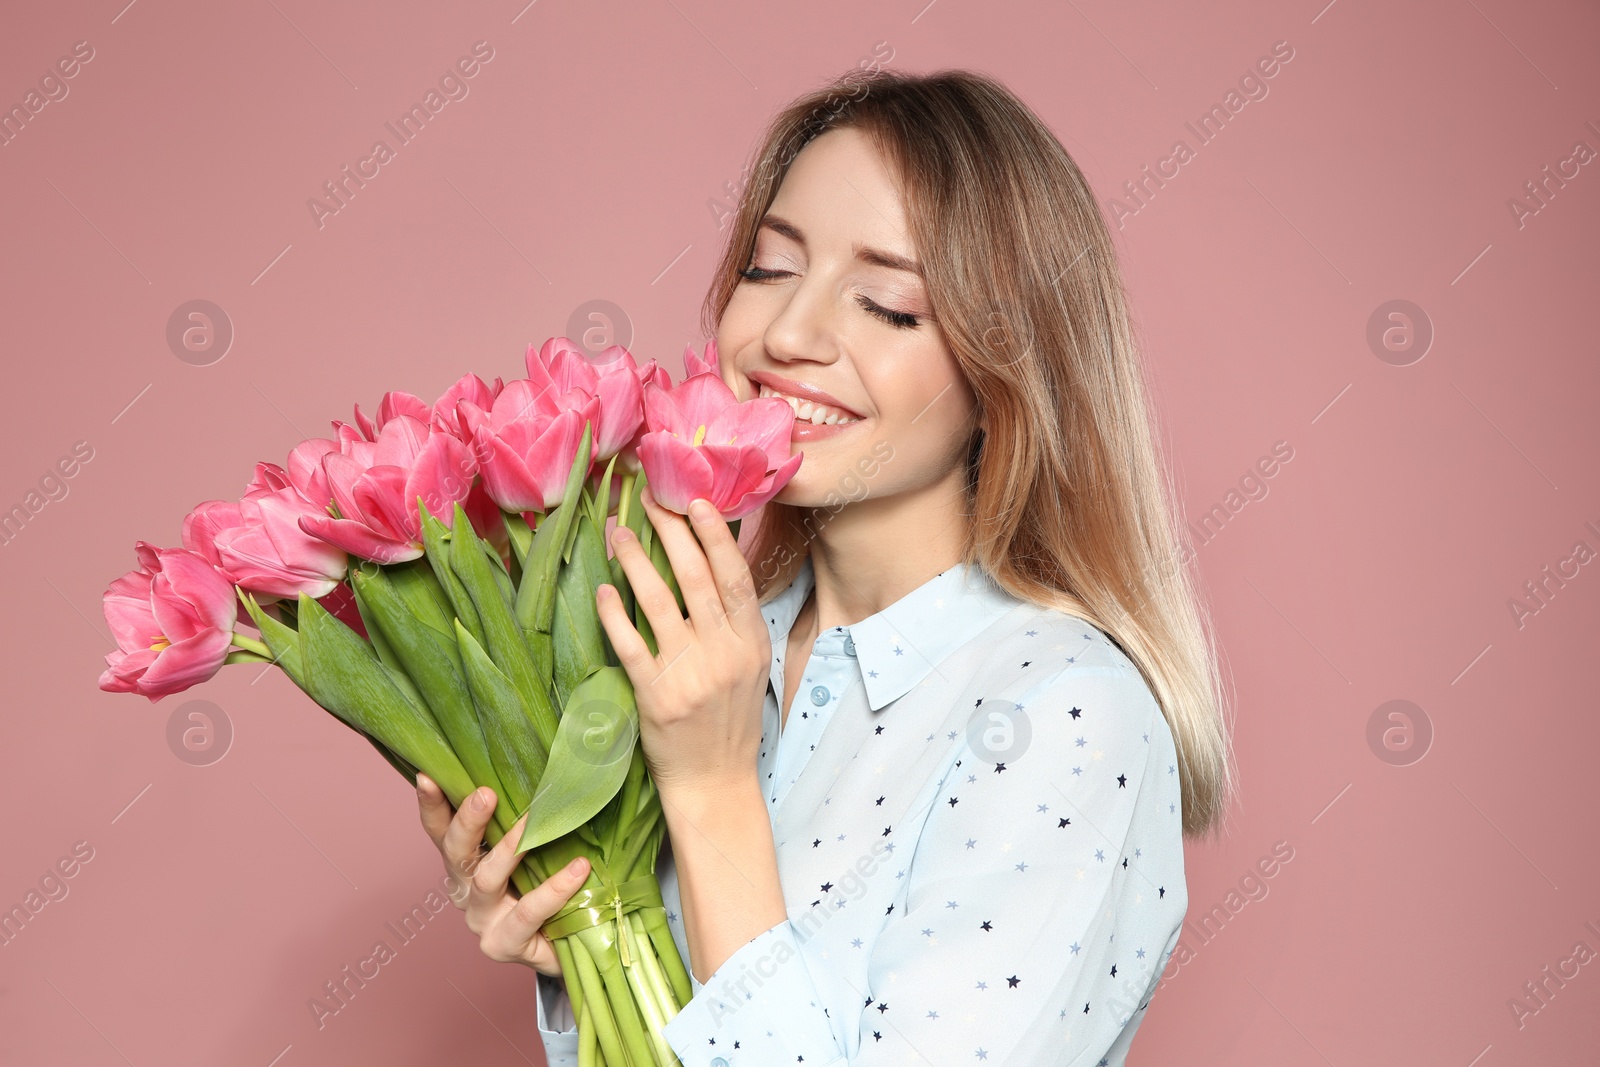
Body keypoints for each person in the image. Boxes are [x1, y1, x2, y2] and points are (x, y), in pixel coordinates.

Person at [415, 67, 1235, 1066]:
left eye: (887, 304)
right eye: (768, 269)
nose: (790, 336)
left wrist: (713, 787)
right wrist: (575, 940)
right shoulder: (697, 652)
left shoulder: (1062, 711)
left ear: (1009, 371)